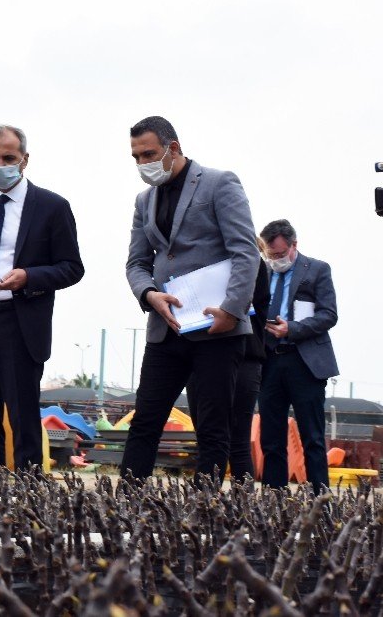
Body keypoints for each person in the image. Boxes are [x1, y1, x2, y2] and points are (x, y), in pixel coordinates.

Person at [121, 115, 259, 484]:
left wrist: (232, 309)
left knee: (213, 428)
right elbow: (137, 263)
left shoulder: (219, 183)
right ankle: (125, 507)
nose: (142, 163)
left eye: (148, 153)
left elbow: (246, 252)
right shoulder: (144, 200)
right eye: (135, 156)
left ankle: (206, 512)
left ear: (174, 148)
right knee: (145, 420)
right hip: (166, 328)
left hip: (217, 329)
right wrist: (150, 294)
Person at [0, 125, 84, 472]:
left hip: (20, 323)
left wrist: (29, 277)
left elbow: (72, 267)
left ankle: (28, 497)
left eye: (8, 158)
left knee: (23, 419)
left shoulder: (51, 207)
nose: (0, 164)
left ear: (25, 160)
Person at [257, 219, 338, 492]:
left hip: (304, 362)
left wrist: (291, 329)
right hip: (269, 361)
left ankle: (320, 501)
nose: (276, 260)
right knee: (271, 438)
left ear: (294, 246)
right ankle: (273, 500)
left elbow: (329, 314)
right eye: (271, 255)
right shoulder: (262, 272)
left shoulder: (317, 270)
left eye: (280, 254)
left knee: (312, 437)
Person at [187, 238, 270, 482]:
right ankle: (206, 505)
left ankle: (242, 511)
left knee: (237, 441)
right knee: (206, 436)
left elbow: (258, 306)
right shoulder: (203, 260)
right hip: (203, 353)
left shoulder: (254, 265)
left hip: (245, 354)